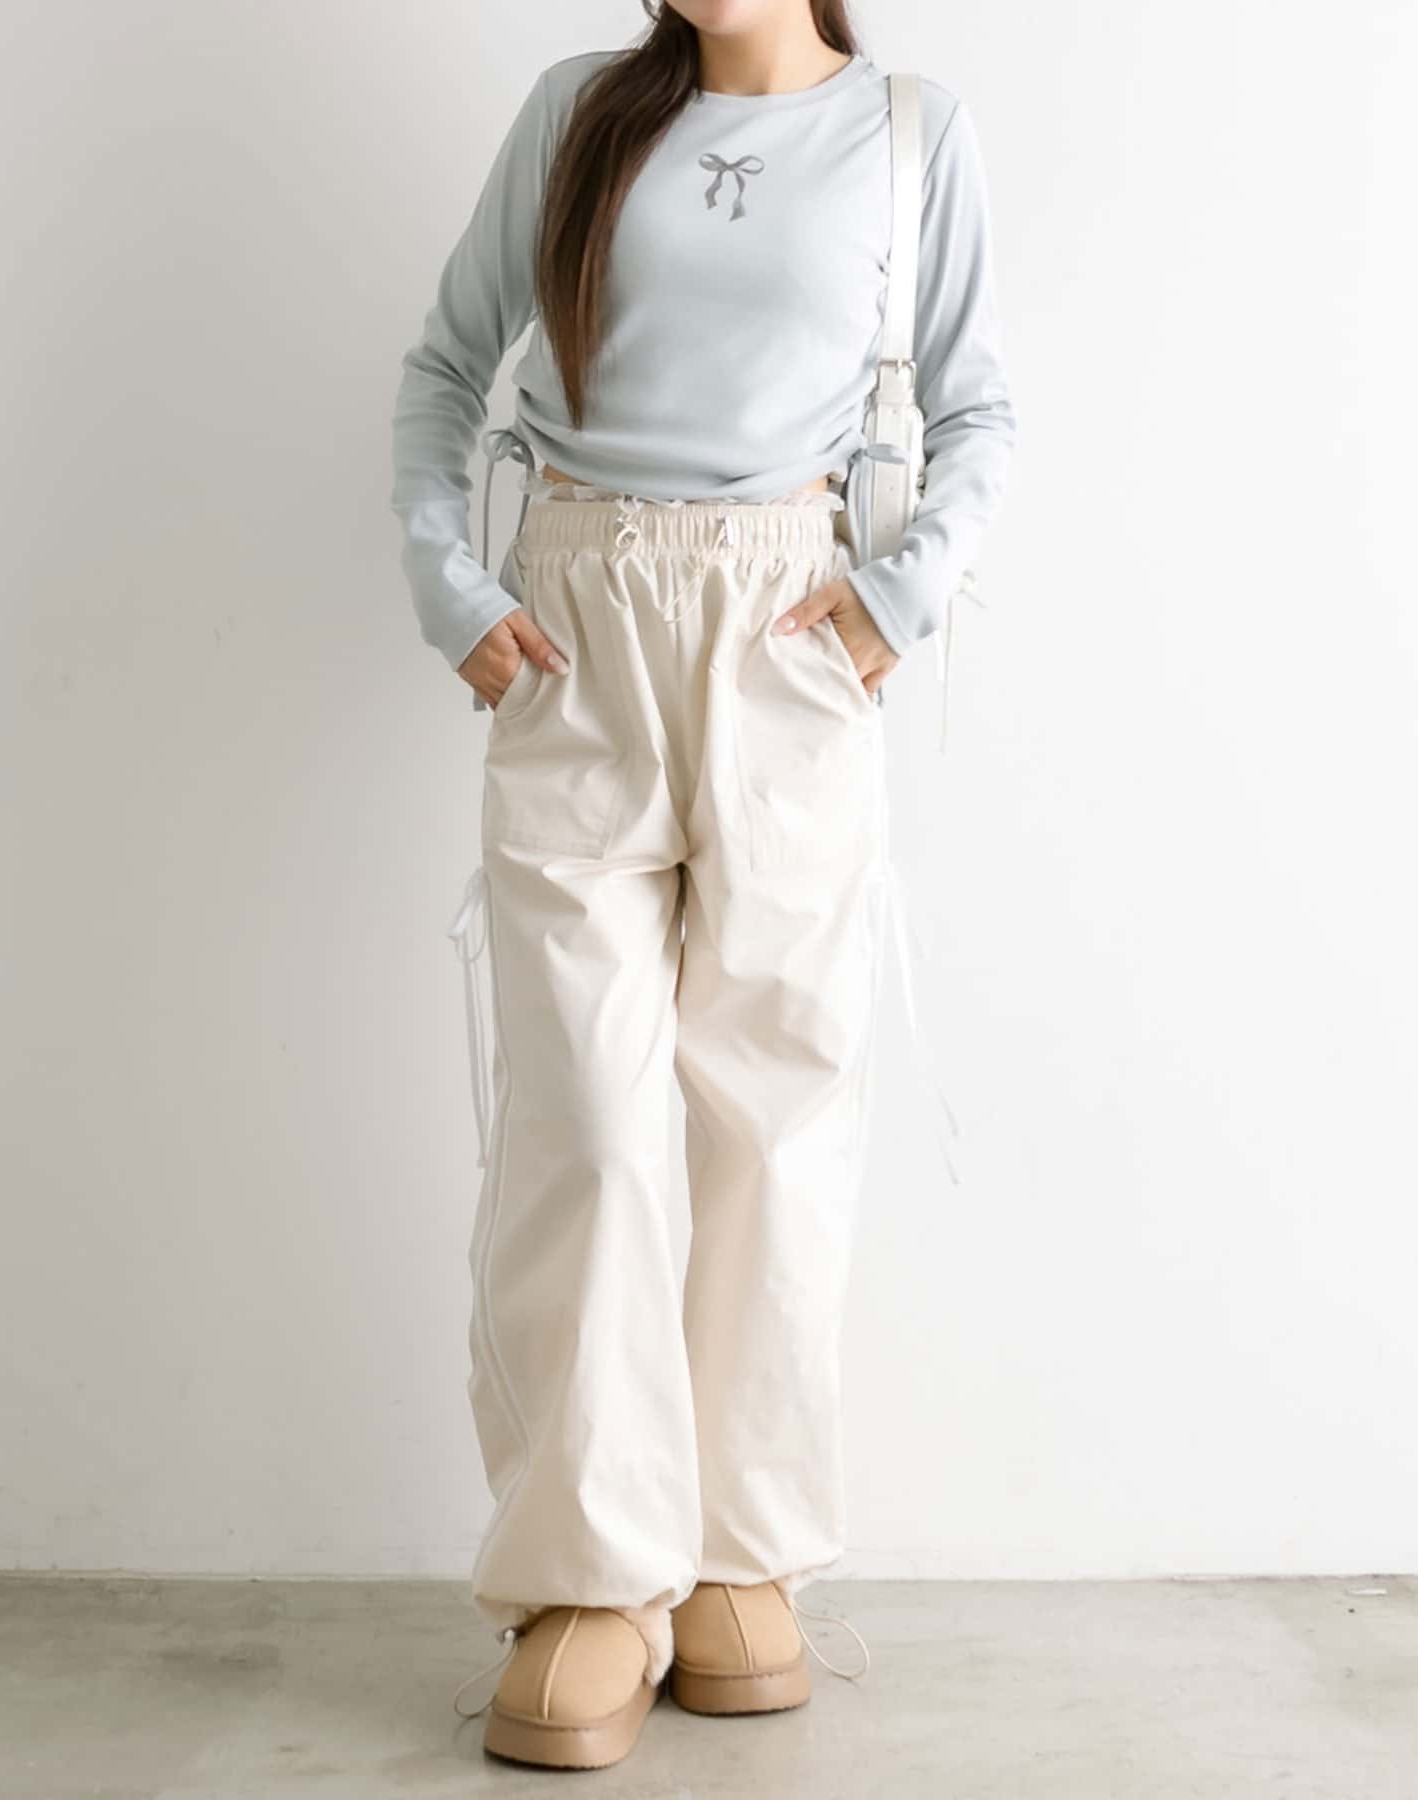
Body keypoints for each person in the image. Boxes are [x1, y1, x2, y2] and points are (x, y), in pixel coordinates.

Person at [389, 0, 1016, 1771]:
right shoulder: (577, 112)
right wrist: (451, 587)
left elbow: (978, 406)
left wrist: (896, 597)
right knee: (585, 1121)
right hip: (576, 625)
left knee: (775, 1116)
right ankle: (593, 1576)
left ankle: (744, 1555)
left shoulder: (910, 135)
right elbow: (446, 368)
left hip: (789, 631)